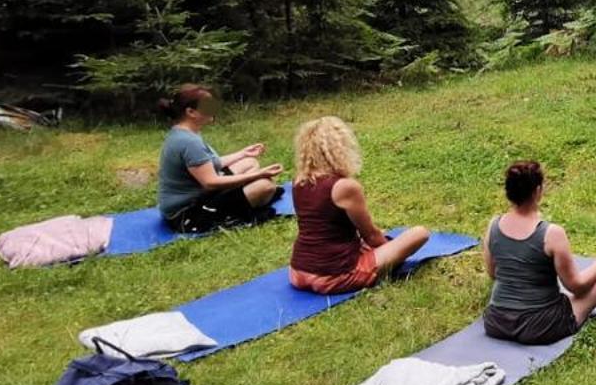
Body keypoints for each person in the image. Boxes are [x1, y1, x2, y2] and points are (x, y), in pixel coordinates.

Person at [482, 160, 596, 345]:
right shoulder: (551, 234)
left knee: (560, 297)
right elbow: (577, 286)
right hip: (538, 327)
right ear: (537, 191)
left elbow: (493, 273)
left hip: (497, 322)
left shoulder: (493, 225)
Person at [286, 116, 431, 295]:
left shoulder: (298, 182)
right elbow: (371, 236)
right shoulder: (344, 187)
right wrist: (390, 249)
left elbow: (322, 227)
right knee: (419, 233)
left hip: (298, 272)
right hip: (334, 276)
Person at [156, 84, 283, 233]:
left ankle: (244, 199)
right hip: (187, 213)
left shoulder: (184, 132)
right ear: (191, 112)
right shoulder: (189, 142)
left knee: (249, 162)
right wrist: (259, 174)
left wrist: (243, 153)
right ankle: (236, 210)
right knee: (266, 186)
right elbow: (211, 182)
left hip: (199, 195)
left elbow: (209, 165)